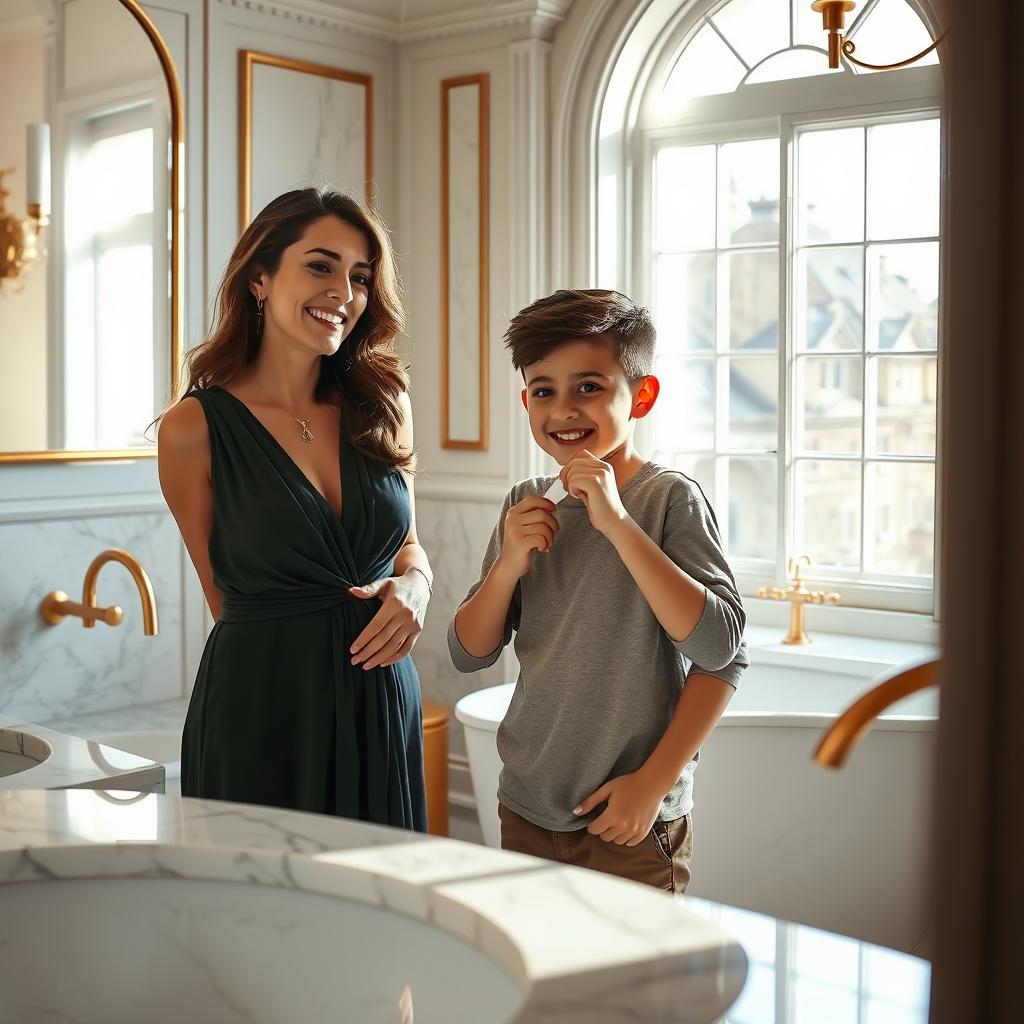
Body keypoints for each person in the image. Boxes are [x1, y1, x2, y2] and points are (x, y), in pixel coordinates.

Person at [448, 289, 748, 891]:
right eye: (543, 390)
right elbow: (468, 652)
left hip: (630, 822)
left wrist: (652, 785)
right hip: (527, 808)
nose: (563, 410)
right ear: (525, 400)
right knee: (537, 974)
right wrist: (507, 565)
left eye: (588, 386)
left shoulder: (668, 499)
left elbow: (720, 652)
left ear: (641, 396)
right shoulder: (524, 504)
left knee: (633, 985)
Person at [158, 187, 431, 830]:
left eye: (359, 276)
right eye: (320, 265)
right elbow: (224, 596)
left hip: (383, 697)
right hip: (263, 707)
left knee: (385, 912)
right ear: (259, 278)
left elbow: (409, 543)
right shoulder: (193, 429)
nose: (344, 291)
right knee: (259, 918)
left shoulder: (385, 403)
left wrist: (417, 586)